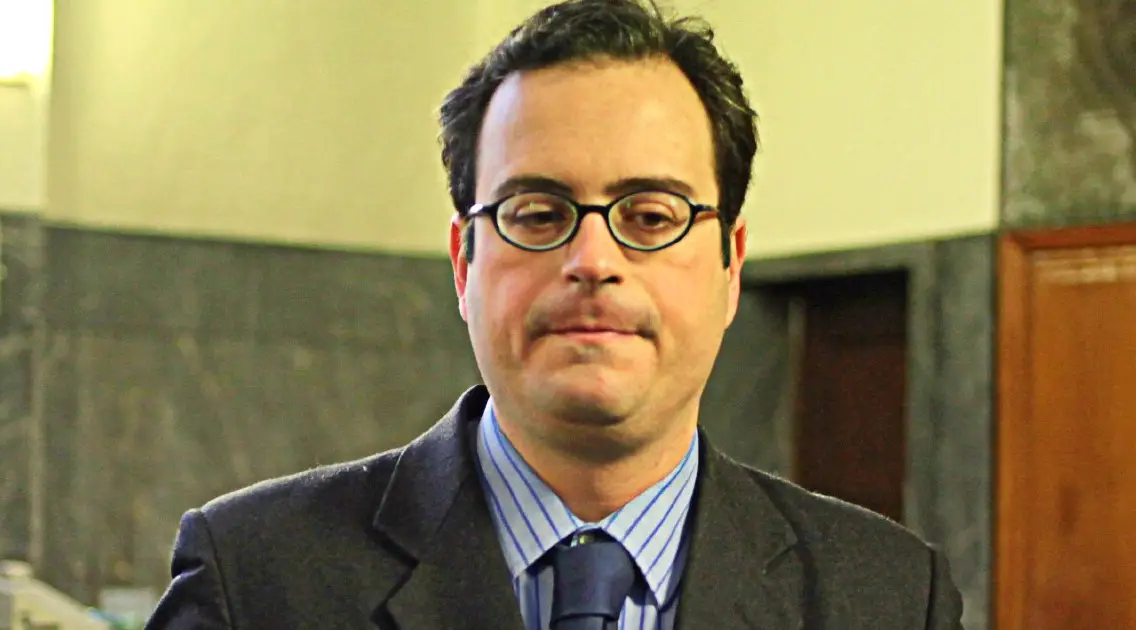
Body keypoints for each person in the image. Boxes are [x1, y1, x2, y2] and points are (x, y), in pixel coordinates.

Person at [145, 1, 964, 628]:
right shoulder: (257, 578)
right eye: (538, 214)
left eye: (651, 215)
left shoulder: (886, 598)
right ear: (464, 262)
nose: (593, 259)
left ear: (730, 265)